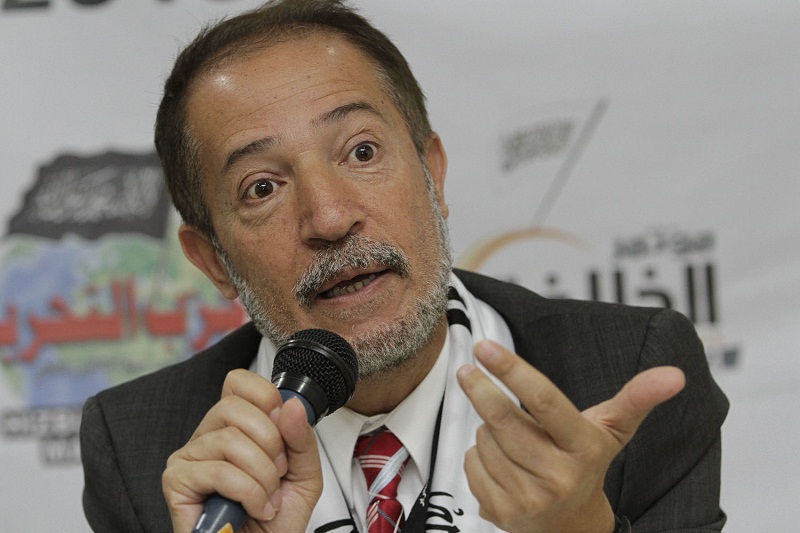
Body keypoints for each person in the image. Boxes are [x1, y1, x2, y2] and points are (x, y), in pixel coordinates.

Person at [79, 1, 728, 532]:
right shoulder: (142, 446)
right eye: (262, 188)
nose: (330, 218)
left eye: (361, 151)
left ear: (433, 174)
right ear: (213, 260)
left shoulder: (621, 375)